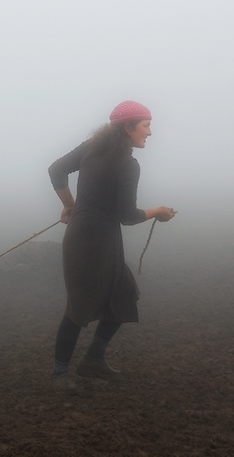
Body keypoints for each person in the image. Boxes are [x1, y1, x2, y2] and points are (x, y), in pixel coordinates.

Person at [48, 100, 176, 386]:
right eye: (146, 125)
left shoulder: (91, 147)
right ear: (128, 127)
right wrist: (158, 212)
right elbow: (127, 216)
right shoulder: (128, 165)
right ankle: (59, 374)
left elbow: (56, 170)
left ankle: (93, 359)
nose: (150, 132)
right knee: (78, 307)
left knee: (124, 295)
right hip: (89, 242)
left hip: (100, 238)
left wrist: (72, 205)